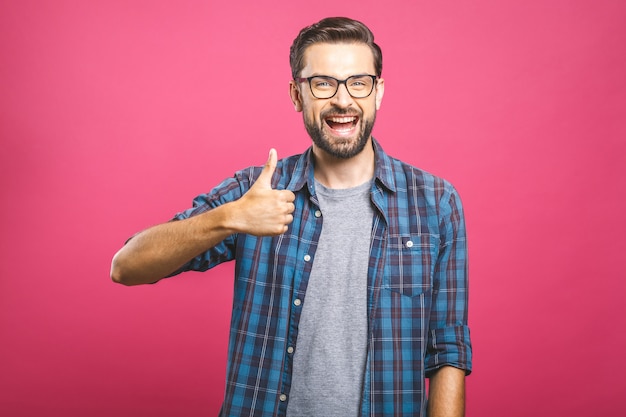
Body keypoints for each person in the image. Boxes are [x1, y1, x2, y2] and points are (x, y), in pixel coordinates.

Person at [111, 16, 472, 417]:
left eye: (358, 82)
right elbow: (127, 266)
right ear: (297, 95)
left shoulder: (435, 202)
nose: (342, 100)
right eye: (322, 83)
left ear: (378, 92)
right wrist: (228, 217)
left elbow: (447, 349)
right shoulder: (256, 192)